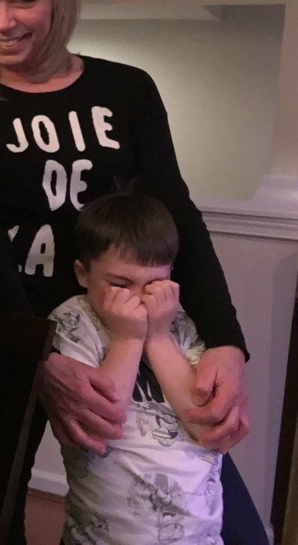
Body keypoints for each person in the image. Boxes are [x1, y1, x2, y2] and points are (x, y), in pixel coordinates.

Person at [0, 0, 265, 544]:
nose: (3, 22)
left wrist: (227, 341)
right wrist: (42, 357)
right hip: (11, 339)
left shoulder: (128, 90)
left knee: (220, 522)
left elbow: (177, 214)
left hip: (133, 328)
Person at [50, 192, 222, 544]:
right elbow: (97, 426)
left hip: (196, 534)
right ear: (83, 273)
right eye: (119, 284)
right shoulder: (74, 322)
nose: (139, 299)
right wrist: (128, 339)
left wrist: (157, 337)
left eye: (154, 285)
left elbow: (204, 423)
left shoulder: (178, 323)